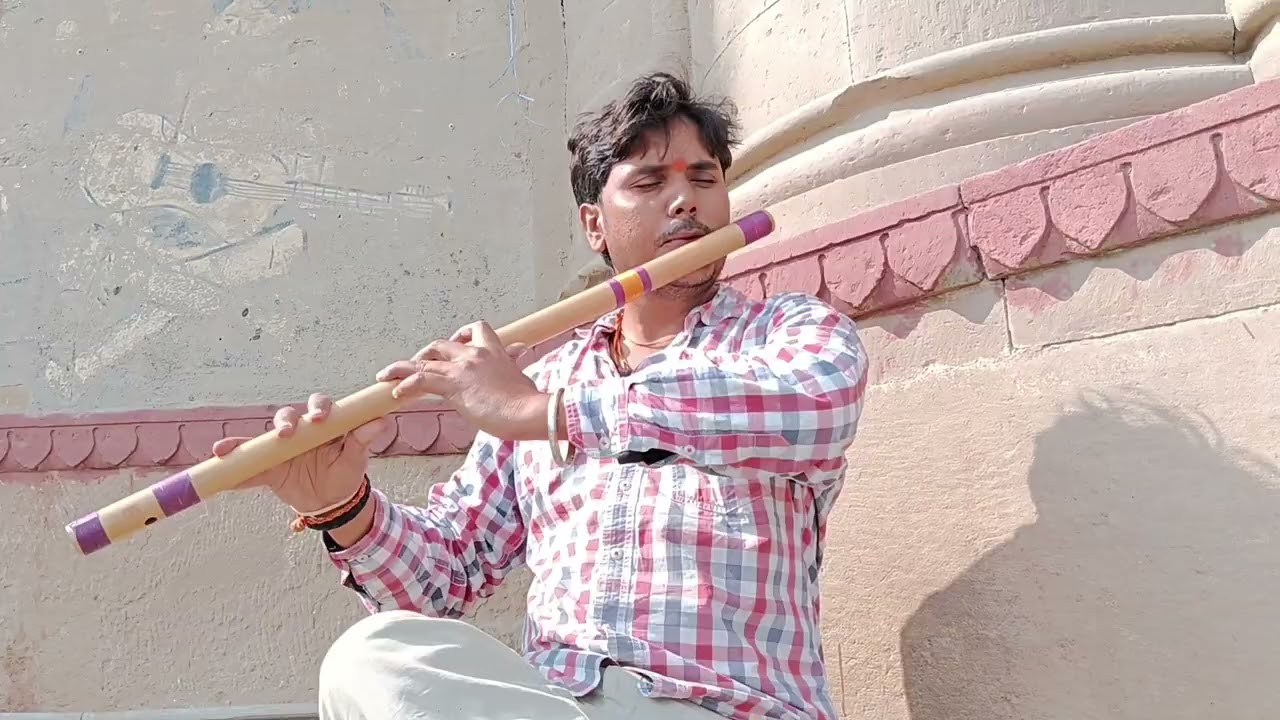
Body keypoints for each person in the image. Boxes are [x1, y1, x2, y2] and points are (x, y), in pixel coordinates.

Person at [214, 72, 869, 720]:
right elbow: (444, 578)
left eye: (703, 178)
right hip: (560, 705)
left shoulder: (787, 333)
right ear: (595, 226)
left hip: (724, 709)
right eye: (650, 182)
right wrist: (342, 507)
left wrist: (548, 413)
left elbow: (812, 413)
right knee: (371, 660)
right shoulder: (542, 383)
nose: (684, 202)